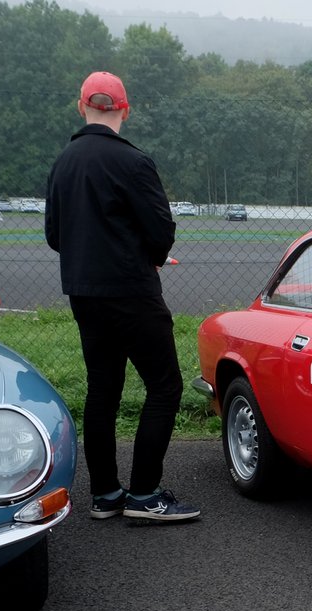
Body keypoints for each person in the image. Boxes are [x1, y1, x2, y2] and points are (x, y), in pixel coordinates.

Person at [45, 71, 200, 522]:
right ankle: (146, 494)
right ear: (124, 111)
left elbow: (55, 234)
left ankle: (106, 495)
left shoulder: (64, 163)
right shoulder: (134, 162)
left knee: (103, 391)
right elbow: (161, 230)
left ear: (81, 107)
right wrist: (145, 256)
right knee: (165, 386)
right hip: (132, 292)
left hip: (84, 293)